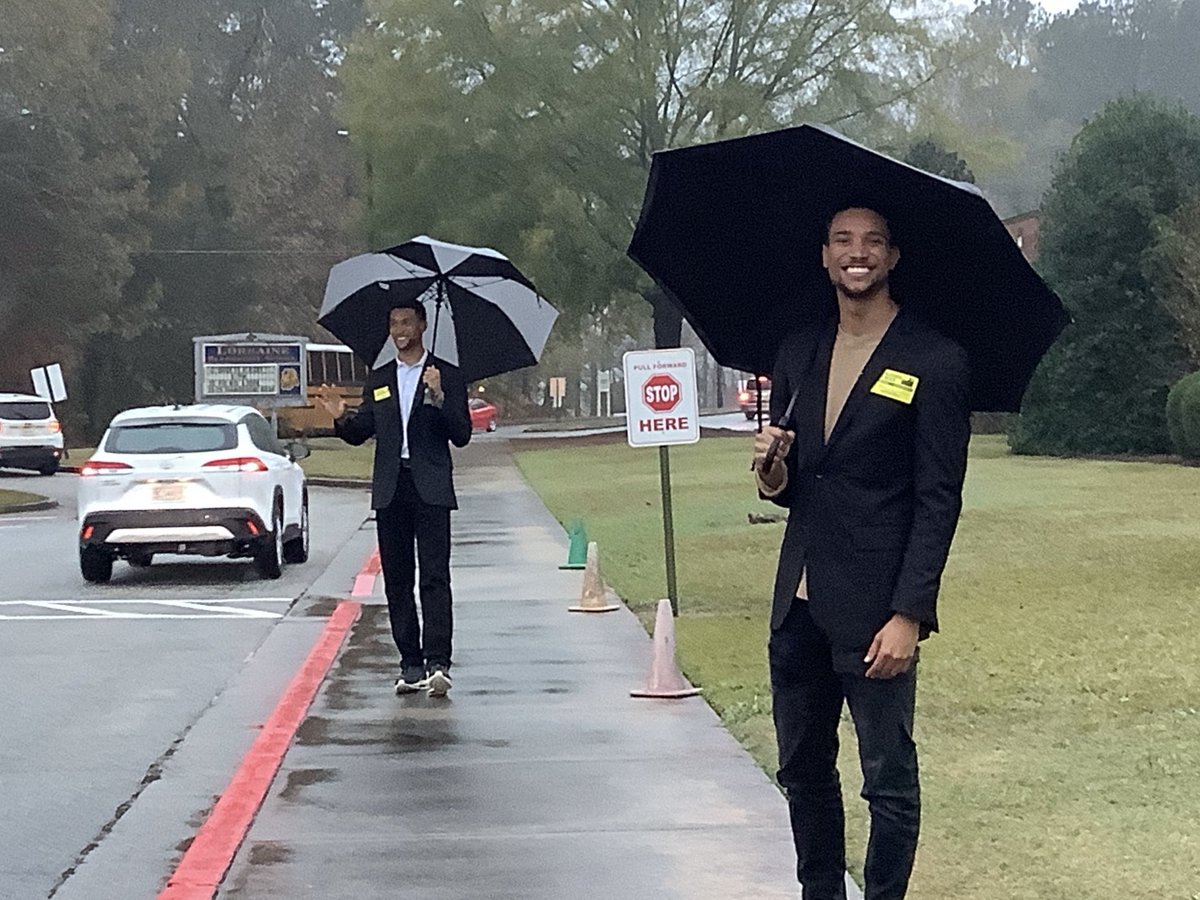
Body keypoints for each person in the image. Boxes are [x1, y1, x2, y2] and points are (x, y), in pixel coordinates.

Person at [752, 206, 971, 899]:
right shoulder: (800, 351)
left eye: (873, 241)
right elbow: (794, 487)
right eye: (843, 241)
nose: (858, 253)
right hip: (800, 606)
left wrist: (910, 614)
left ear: (892, 257)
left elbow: (938, 500)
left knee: (888, 783)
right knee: (803, 772)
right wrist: (772, 469)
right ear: (825, 256)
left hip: (877, 611)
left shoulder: (934, 360)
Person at [315, 298, 471, 697]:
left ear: (422, 325)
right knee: (398, 581)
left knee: (434, 577)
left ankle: (438, 662)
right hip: (391, 488)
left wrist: (438, 395)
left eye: (406, 322)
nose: (399, 330)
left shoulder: (445, 375)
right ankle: (410, 664)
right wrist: (340, 415)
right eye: (394, 324)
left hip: (431, 488)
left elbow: (461, 434)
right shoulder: (380, 379)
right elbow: (360, 432)